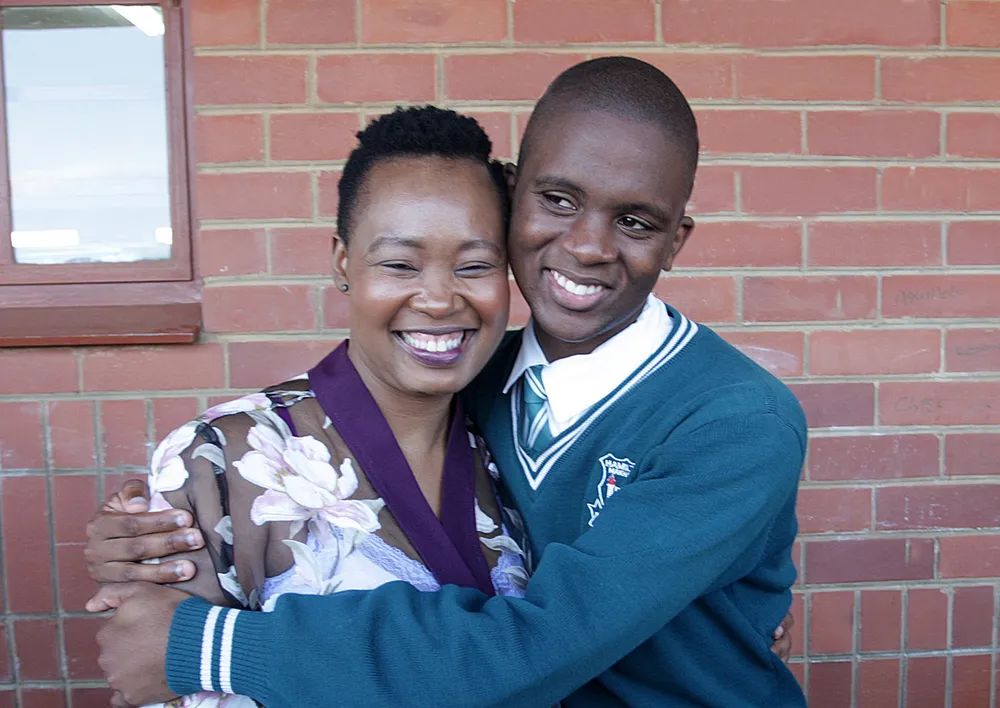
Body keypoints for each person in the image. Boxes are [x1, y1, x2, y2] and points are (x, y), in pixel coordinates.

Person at [88, 57, 806, 707]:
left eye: (637, 221)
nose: (588, 245)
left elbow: (536, 644)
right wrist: (153, 521)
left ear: (676, 240)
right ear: (513, 194)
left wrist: (212, 647)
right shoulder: (472, 377)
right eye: (559, 200)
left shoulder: (735, 420)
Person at [100, 105, 528, 707]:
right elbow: (166, 679)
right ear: (342, 261)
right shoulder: (223, 457)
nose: (437, 298)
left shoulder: (520, 438)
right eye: (399, 264)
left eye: (475, 266)